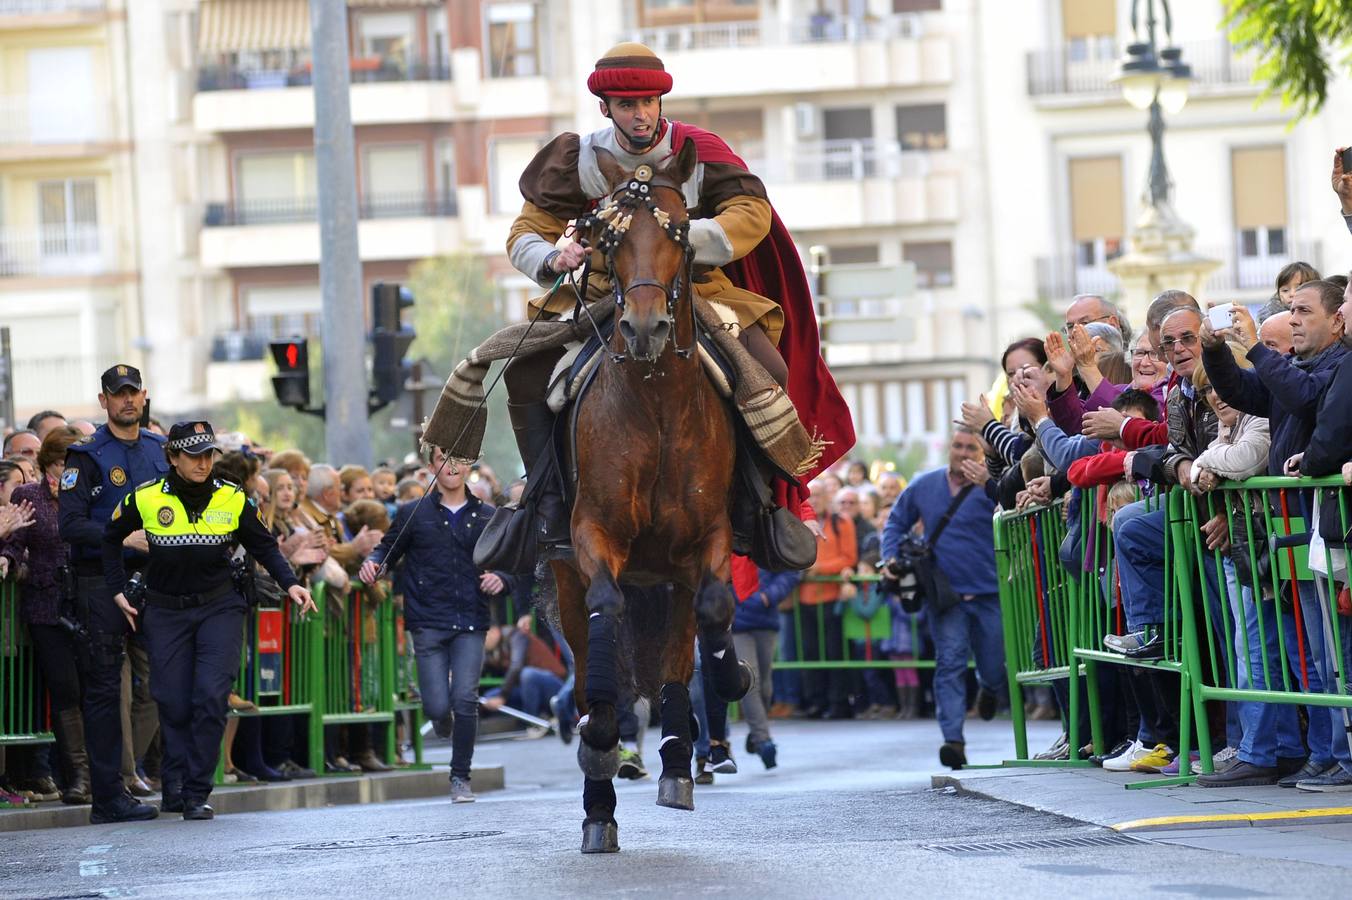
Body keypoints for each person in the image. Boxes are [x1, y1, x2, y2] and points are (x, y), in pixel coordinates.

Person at [500, 40, 850, 554]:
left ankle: (759, 508)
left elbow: (751, 213)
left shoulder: (700, 150)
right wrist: (552, 258)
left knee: (768, 371)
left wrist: (686, 241)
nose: (639, 115)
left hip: (693, 290)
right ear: (606, 109)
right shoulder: (578, 157)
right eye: (626, 106)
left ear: (661, 101)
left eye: (647, 103)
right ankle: (546, 502)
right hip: (603, 293)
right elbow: (527, 228)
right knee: (525, 370)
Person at [102, 421, 314, 820]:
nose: (203, 462)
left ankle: (197, 790)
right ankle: (175, 783)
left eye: (208, 454)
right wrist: (117, 589)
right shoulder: (146, 497)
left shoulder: (232, 497)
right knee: (173, 699)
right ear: (173, 458)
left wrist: (291, 585)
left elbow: (264, 545)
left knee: (211, 696)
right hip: (165, 610)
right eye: (194, 455)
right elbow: (110, 538)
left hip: (220, 607)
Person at [359, 447, 508, 803]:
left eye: (458, 458)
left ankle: (460, 777)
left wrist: (502, 578)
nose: (451, 465)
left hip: (470, 619)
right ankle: (444, 722)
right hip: (427, 620)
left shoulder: (489, 515)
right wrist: (372, 563)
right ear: (430, 467)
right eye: (443, 458)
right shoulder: (413, 513)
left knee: (465, 698)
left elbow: (511, 563)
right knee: (437, 706)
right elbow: (387, 549)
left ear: (469, 464)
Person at [57, 364, 169, 824]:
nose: (126, 401)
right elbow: (70, 524)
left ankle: (179, 785)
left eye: (132, 393)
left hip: (158, 579)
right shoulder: (85, 455)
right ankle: (108, 797)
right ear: (103, 401)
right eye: (116, 394)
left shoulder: (162, 450)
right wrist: (122, 537)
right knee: (105, 691)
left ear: (144, 396)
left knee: (170, 682)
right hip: (101, 581)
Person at [880, 428, 1003, 770]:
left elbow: (1016, 514)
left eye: (970, 448)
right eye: (958, 446)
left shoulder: (991, 488)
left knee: (994, 663)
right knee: (949, 662)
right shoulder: (924, 484)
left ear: (982, 454)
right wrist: (889, 558)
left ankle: (990, 688)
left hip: (989, 591)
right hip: (945, 595)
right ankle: (953, 740)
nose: (963, 452)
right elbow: (895, 523)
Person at [0, 426, 90, 805]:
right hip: (44, 604)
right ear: (48, 462)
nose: (67, 472)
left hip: (84, 603)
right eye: (60, 464)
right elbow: (16, 540)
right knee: (65, 688)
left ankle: (101, 774)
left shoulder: (88, 494)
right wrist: (6, 558)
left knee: (93, 687)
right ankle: (79, 775)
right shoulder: (30, 494)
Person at [731, 560, 800, 769]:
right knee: (750, 681)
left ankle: (756, 732)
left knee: (766, 687)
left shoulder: (771, 534)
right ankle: (763, 741)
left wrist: (768, 596)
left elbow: (791, 571)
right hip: (737, 621)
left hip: (766, 617)